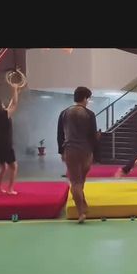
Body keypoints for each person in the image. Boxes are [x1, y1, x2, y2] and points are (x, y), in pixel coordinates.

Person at [57, 86, 99, 224]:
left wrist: (61, 151)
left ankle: (81, 211)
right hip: (85, 150)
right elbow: (92, 136)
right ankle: (82, 207)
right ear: (85, 98)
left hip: (70, 149)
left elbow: (60, 134)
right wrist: (94, 152)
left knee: (75, 181)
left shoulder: (64, 113)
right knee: (81, 180)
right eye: (88, 99)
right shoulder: (89, 114)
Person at [0, 81, 23, 195]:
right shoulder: (4, 114)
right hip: (6, 145)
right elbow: (14, 104)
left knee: (3, 168)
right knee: (14, 167)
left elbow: (11, 104)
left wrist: (16, 92)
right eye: (1, 103)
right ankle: (10, 189)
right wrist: (14, 89)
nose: (3, 104)